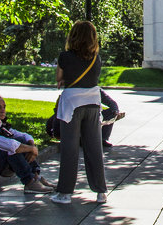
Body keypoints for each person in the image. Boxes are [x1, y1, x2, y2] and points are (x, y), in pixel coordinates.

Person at [51, 20, 107, 205]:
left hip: (71, 105)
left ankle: (65, 193)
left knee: (70, 148)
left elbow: (59, 79)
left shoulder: (64, 57)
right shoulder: (96, 58)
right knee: (94, 148)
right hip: (92, 102)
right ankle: (101, 191)